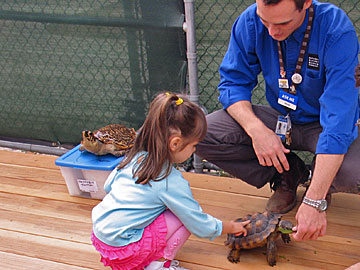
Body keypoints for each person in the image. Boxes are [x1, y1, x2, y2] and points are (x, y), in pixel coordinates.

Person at [196, 0, 360, 243]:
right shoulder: (250, 21)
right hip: (281, 119)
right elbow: (232, 84)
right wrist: (256, 130)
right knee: (199, 133)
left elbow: (339, 121)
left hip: (325, 124)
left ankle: (320, 184)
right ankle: (287, 173)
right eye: (265, 21)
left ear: (305, 4)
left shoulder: (336, 30)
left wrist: (314, 201)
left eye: (282, 23)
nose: (272, 31)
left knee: (354, 168)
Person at [91, 92, 250, 270]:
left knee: (166, 207)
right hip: (127, 250)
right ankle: (158, 265)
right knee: (182, 216)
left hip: (103, 241)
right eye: (194, 145)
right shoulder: (169, 180)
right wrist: (228, 227)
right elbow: (198, 223)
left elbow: (108, 186)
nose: (195, 150)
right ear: (175, 143)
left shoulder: (134, 157)